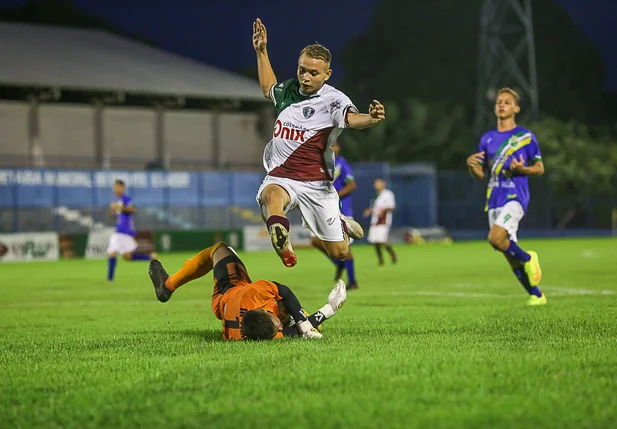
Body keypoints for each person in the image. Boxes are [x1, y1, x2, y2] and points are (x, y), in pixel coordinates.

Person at [252, 18, 385, 268]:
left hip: (316, 184)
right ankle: (282, 241)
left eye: (313, 73)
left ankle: (340, 222)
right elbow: (268, 87)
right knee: (271, 196)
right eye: (302, 69)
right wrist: (261, 51)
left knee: (339, 252)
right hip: (282, 175)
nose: (305, 77)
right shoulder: (289, 89)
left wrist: (372, 118)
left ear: (327, 74)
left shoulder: (333, 99)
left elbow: (351, 119)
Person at [148, 242, 347, 340]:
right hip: (223, 310)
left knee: (219, 249)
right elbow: (294, 331)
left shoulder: (256, 293)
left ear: (265, 310)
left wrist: (304, 323)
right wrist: (328, 310)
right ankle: (304, 320)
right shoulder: (255, 333)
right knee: (310, 324)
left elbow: (284, 291)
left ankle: (167, 286)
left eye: (278, 323)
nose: (280, 326)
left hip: (229, 291)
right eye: (280, 325)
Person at [466, 87, 546, 306]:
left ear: (516, 108)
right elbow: (481, 175)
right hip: (494, 198)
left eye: (507, 102)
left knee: (495, 238)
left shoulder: (525, 137)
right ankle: (537, 295)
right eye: (499, 101)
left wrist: (522, 169)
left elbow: (539, 168)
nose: (501, 104)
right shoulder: (488, 138)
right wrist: (471, 166)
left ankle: (529, 258)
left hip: (515, 196)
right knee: (508, 254)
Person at [310, 141, 359, 290]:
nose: (332, 148)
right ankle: (340, 264)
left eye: (335, 145)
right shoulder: (320, 164)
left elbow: (351, 185)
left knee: (345, 247)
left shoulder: (341, 164)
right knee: (315, 240)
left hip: (341, 209)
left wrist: (335, 195)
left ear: (338, 148)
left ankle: (353, 281)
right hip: (323, 209)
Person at [106, 179, 156, 281]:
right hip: (120, 232)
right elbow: (116, 215)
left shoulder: (125, 199)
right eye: (114, 187)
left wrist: (119, 207)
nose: (114, 189)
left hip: (125, 232)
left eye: (116, 187)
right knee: (128, 257)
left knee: (112, 253)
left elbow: (132, 209)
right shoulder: (117, 201)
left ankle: (109, 279)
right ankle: (150, 257)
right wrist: (112, 211)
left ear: (122, 188)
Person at [364, 178, 397, 266]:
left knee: (382, 240)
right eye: (375, 183)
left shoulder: (388, 194)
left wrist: (383, 210)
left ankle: (392, 253)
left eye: (378, 183)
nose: (377, 185)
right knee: (374, 241)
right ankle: (380, 260)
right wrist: (369, 211)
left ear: (383, 184)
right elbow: (374, 207)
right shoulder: (375, 196)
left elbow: (392, 207)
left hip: (383, 220)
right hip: (375, 220)